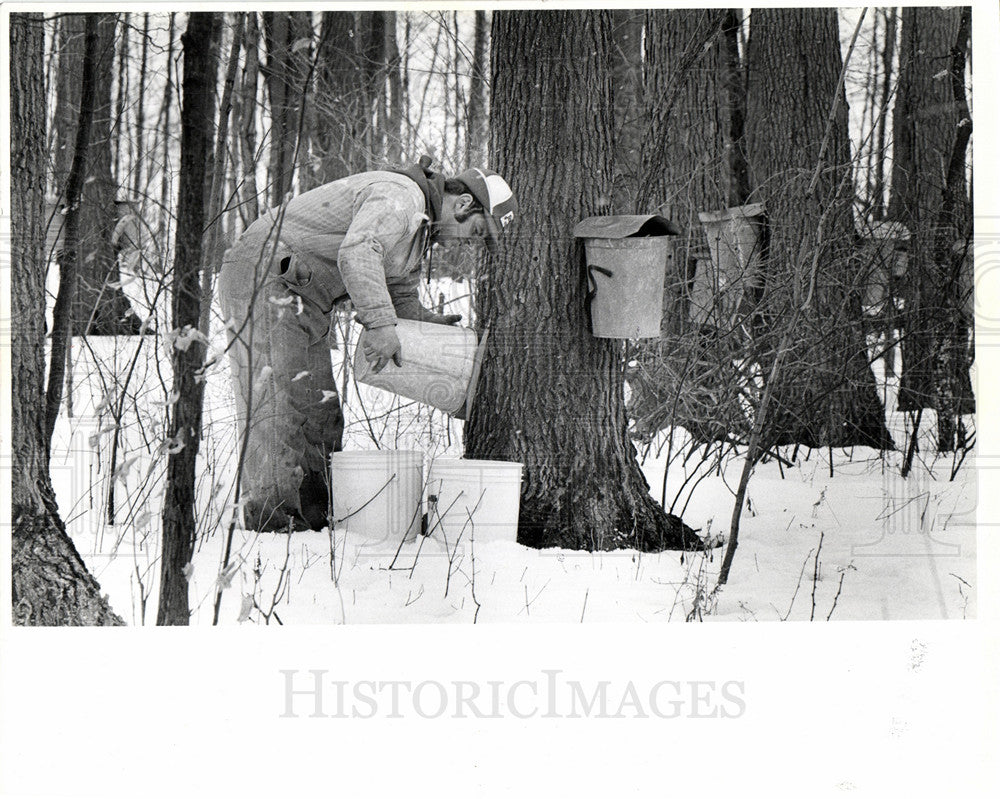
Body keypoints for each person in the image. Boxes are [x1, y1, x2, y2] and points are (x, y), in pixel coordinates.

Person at [217, 160, 517, 531]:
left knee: (319, 411)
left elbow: (399, 290)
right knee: (279, 405)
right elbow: (358, 251)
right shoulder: (401, 199)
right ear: (463, 204)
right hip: (262, 278)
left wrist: (427, 324)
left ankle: (313, 520)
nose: (468, 243)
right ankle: (274, 524)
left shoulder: (417, 230)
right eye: (474, 232)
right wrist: (379, 325)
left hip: (299, 294)